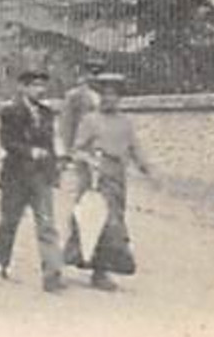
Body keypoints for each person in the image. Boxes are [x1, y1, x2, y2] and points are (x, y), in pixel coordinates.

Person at [64, 72, 151, 291]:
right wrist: (89, 160)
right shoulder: (90, 120)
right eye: (105, 94)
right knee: (99, 221)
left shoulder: (125, 123)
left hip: (117, 177)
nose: (109, 99)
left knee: (115, 222)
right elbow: (77, 149)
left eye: (114, 95)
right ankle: (98, 271)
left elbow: (134, 148)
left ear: (120, 98)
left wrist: (146, 168)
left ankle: (102, 269)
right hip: (95, 178)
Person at [0, 68, 65, 292]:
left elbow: (50, 143)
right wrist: (30, 151)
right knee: (9, 222)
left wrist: (54, 168)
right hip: (16, 176)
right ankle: (0, 264)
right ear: (22, 87)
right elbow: (7, 142)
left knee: (47, 225)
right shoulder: (10, 112)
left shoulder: (47, 113)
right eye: (34, 85)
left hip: (41, 176)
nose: (39, 90)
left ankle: (52, 274)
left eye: (42, 85)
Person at [59, 57, 101, 159]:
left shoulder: (99, 95)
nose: (94, 77)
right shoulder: (74, 95)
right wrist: (68, 149)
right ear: (84, 75)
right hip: (80, 145)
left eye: (96, 74)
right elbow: (67, 123)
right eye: (91, 73)